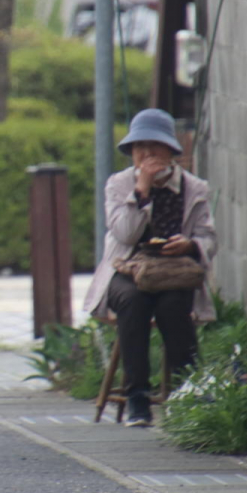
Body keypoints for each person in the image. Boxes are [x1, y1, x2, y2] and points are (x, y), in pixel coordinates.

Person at [82, 108, 218, 427]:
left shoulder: (194, 187)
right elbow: (125, 234)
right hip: (126, 269)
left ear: (170, 150)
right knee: (134, 301)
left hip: (174, 272)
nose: (146, 154)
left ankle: (189, 391)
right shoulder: (118, 185)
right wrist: (141, 192)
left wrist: (190, 245)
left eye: (154, 146)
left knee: (173, 305)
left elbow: (209, 237)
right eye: (139, 147)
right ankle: (137, 398)